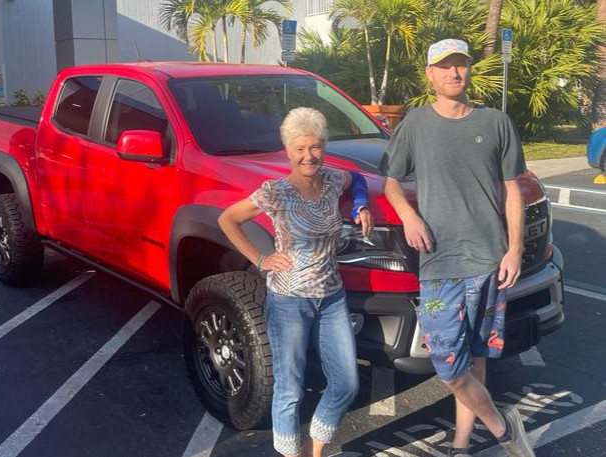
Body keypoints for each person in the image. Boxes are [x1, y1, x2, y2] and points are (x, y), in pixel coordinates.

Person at [381, 39, 534, 457]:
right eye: (444, 67)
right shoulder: (415, 124)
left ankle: (462, 444)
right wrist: (409, 217)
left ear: (469, 70)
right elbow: (391, 180)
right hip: (439, 261)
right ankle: (504, 428)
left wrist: (514, 249)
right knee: (448, 364)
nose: (454, 73)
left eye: (461, 65)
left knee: (476, 358)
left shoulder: (496, 121)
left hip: (489, 258)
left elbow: (513, 189)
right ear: (429, 75)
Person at [218, 107, 373, 457]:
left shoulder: (333, 180)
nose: (309, 155)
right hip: (288, 301)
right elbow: (228, 220)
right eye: (301, 148)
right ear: (288, 151)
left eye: (316, 147)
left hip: (331, 298)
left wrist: (360, 206)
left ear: (324, 147)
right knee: (289, 389)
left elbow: (357, 179)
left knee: (346, 383)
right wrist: (260, 258)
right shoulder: (275, 192)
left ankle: (315, 450)